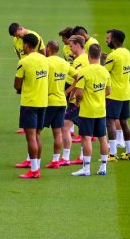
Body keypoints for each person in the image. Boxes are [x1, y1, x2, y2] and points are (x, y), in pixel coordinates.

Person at [71, 44, 112, 176]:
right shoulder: (105, 71)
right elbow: (108, 91)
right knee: (102, 138)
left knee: (86, 138)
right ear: (99, 55)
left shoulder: (84, 72)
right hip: (101, 110)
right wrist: (98, 96)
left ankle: (86, 168)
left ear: (89, 56)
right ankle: (103, 167)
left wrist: (78, 102)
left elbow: (79, 93)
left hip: (87, 110)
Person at [13, 34, 49, 179]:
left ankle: (34, 170)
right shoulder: (44, 60)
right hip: (43, 101)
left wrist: (20, 88)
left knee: (31, 137)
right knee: (37, 135)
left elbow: (17, 83)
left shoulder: (24, 61)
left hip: (29, 103)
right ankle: (37, 167)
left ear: (27, 45)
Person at [104, 29, 130, 160]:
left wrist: (101, 61)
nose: (106, 40)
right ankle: (129, 152)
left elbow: (104, 73)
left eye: (108, 38)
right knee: (124, 122)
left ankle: (112, 154)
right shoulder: (127, 52)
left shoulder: (113, 56)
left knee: (110, 122)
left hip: (113, 94)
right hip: (126, 93)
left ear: (114, 40)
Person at [43, 40, 70, 169]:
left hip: (49, 101)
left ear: (48, 48)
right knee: (57, 132)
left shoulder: (46, 62)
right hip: (61, 101)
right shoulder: (64, 63)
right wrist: (67, 91)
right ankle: (55, 161)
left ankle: (32, 160)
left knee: (35, 132)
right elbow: (77, 77)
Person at [61, 35, 87, 164]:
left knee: (65, 127)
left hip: (77, 99)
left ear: (78, 45)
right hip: (87, 98)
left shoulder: (78, 62)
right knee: (83, 127)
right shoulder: (87, 58)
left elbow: (78, 80)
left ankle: (66, 158)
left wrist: (69, 94)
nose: (69, 49)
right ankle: (82, 156)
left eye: (71, 46)